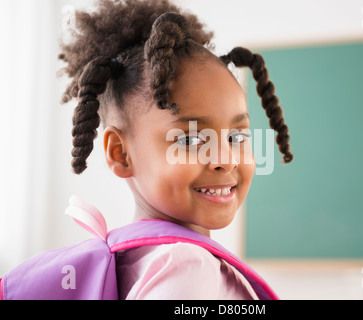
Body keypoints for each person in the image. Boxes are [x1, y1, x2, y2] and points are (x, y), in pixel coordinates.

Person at [58, 0, 293, 299]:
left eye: (236, 136)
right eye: (191, 140)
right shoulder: (186, 267)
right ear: (120, 153)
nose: (224, 159)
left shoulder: (133, 258)